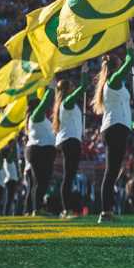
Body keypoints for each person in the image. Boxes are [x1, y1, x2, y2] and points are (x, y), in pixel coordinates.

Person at [93, 39, 134, 223]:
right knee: (111, 171)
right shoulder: (114, 80)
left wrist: (131, 123)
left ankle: (107, 210)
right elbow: (130, 62)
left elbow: (121, 108)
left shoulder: (115, 83)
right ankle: (105, 211)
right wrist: (130, 49)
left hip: (119, 126)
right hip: (114, 128)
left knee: (113, 170)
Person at [53, 71, 88, 218]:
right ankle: (65, 210)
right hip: (69, 141)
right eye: (71, 86)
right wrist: (84, 73)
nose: (73, 88)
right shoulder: (67, 102)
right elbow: (83, 87)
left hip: (72, 140)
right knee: (68, 176)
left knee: (70, 175)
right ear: (67, 89)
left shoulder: (65, 103)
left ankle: (69, 209)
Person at [25, 83, 57, 216]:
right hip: (40, 151)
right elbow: (46, 100)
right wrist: (51, 86)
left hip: (42, 150)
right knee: (41, 181)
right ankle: (36, 209)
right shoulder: (36, 115)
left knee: (40, 182)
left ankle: (35, 208)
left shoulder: (39, 118)